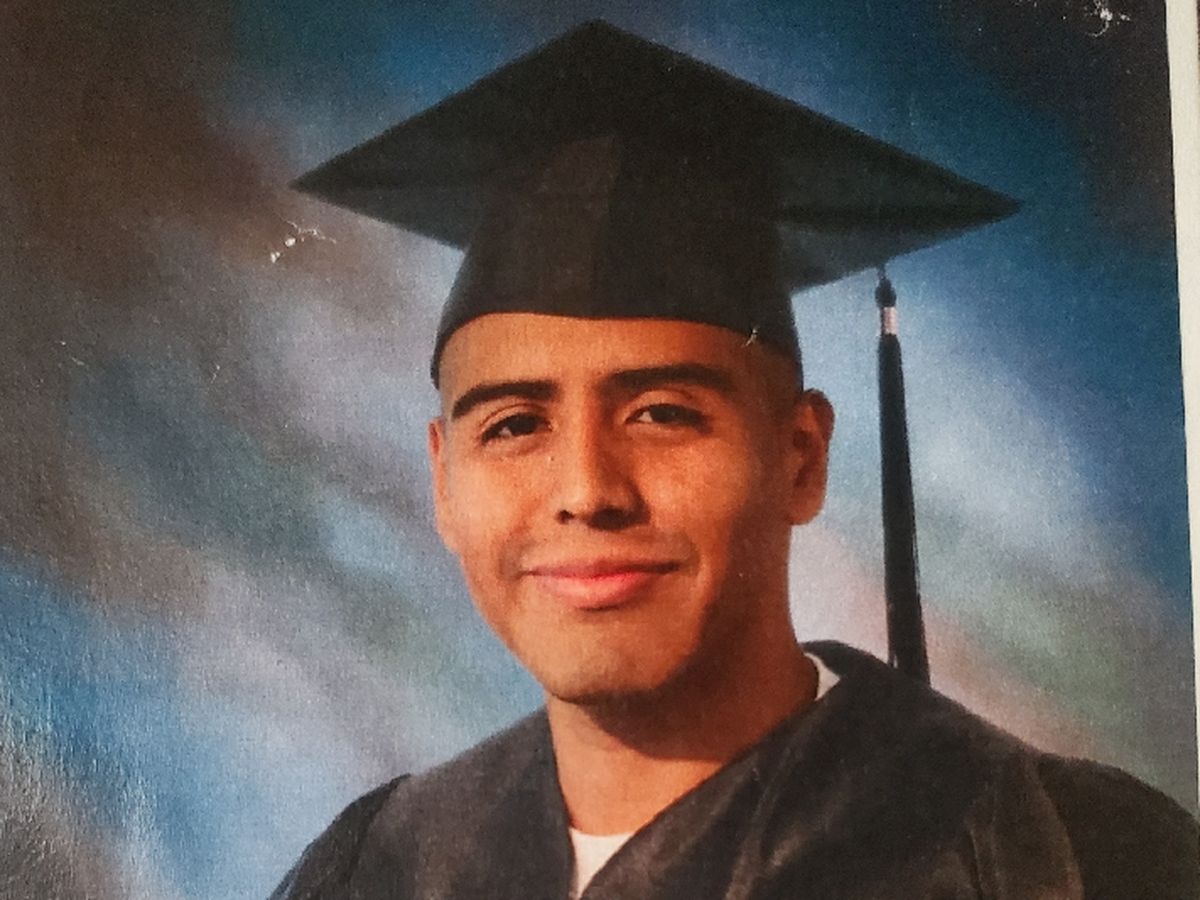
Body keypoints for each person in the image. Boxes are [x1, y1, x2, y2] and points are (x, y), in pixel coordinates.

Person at [272, 21, 1199, 899]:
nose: (587, 490)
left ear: (800, 457)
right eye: (513, 425)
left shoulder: (1046, 852)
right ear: (442, 480)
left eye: (662, 414)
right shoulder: (379, 865)